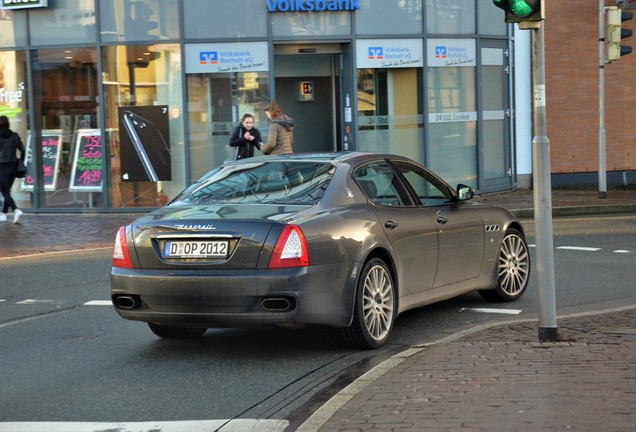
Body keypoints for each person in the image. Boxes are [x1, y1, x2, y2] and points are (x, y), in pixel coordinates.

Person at [0, 115, 25, 224]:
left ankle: (16, 210)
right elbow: (23, 150)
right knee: (7, 191)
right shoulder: (15, 136)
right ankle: (3, 214)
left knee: (5, 192)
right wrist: (21, 161)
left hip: (1, 167)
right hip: (13, 167)